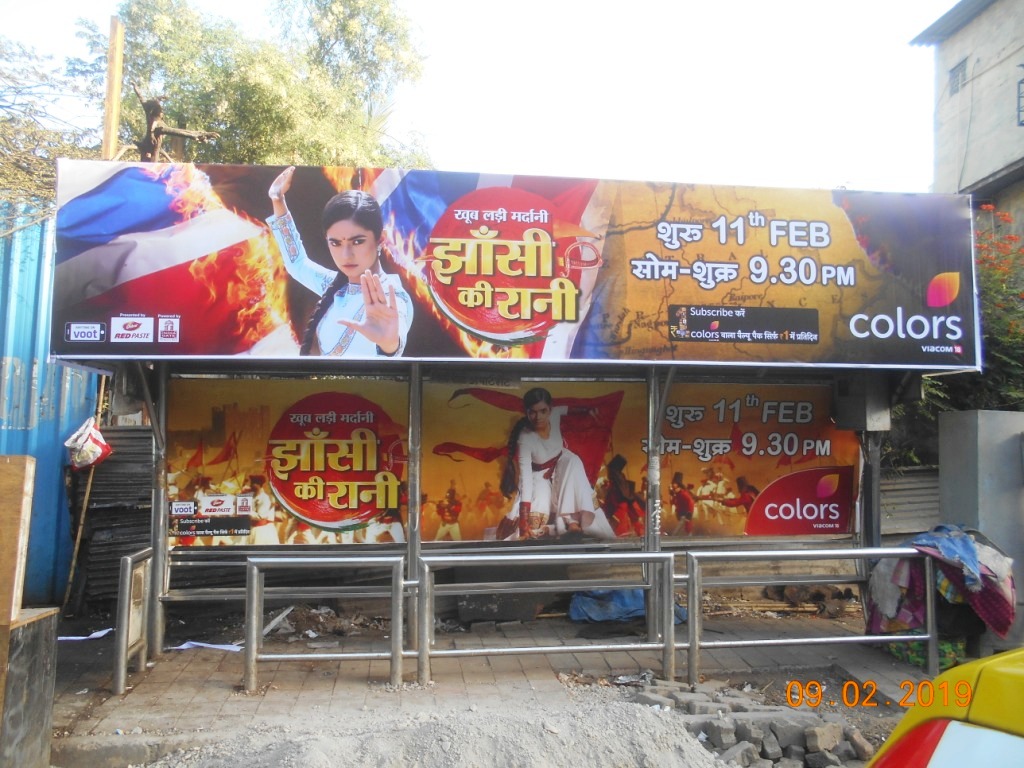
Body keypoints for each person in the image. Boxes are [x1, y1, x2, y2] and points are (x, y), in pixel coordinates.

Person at [266, 166, 413, 357]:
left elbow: (393, 339)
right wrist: (278, 200)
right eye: (335, 243)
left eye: (357, 241)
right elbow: (298, 264)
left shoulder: (391, 296)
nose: (346, 255)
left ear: (380, 240)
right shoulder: (334, 286)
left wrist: (390, 344)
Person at [499, 388, 616, 540]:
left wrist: (591, 411)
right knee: (535, 523)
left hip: (563, 462)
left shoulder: (555, 415)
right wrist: (523, 524)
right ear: (526, 412)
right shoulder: (525, 438)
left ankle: (575, 523)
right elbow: (526, 481)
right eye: (532, 412)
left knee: (573, 462)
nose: (538, 417)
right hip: (540, 476)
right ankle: (562, 525)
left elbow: (575, 409)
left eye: (543, 411)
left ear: (550, 409)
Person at [668, 471, 696, 536]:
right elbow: (674, 503)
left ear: (678, 485)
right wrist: (672, 495)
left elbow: (691, 502)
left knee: (677, 532)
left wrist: (689, 513)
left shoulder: (683, 493)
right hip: (681, 514)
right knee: (686, 532)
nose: (673, 485)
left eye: (674, 483)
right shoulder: (677, 494)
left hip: (685, 515)